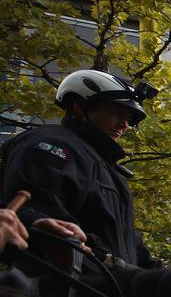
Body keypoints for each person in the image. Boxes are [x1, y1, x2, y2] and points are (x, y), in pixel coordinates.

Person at [1, 69, 158, 267]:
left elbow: (129, 245)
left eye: (128, 119)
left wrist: (163, 276)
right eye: (117, 113)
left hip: (108, 283)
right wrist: (104, 259)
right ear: (79, 107)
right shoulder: (52, 146)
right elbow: (45, 217)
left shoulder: (109, 172)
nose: (124, 125)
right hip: (59, 282)